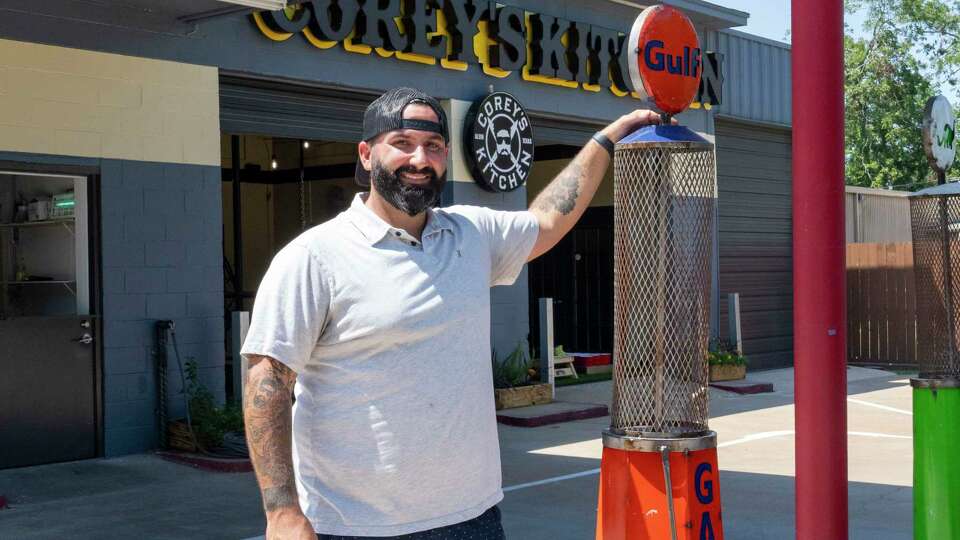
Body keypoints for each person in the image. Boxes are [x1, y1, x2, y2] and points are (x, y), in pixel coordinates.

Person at [240, 87, 665, 540]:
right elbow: (267, 379)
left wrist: (606, 139)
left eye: (434, 147)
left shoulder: (471, 234)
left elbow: (548, 220)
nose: (420, 159)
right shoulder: (315, 257)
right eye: (401, 144)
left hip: (472, 518)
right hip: (355, 525)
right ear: (366, 154)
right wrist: (282, 511)